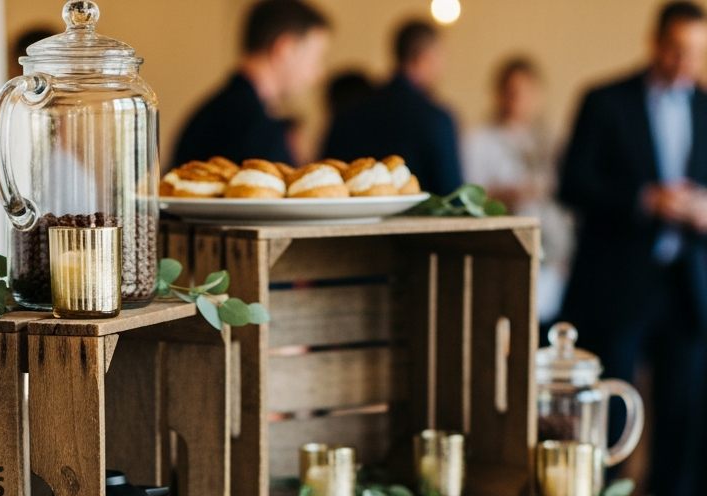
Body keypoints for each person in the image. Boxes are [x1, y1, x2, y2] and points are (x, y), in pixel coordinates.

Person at [559, 1, 707, 496]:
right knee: (611, 410)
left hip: (686, 288)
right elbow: (573, 182)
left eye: (694, 51)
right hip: (619, 286)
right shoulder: (604, 100)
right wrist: (646, 199)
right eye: (675, 48)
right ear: (654, 42)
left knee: (682, 415)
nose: (683, 60)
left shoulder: (705, 107)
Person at [464, 58, 574, 324]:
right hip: (500, 250)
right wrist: (511, 194)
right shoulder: (479, 139)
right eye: (512, 91)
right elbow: (469, 194)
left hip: (550, 252)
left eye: (525, 91)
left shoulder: (549, 142)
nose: (518, 98)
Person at [172, 0, 331, 168]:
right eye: (315, 58)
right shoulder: (257, 126)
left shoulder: (214, 111)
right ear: (285, 49)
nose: (318, 74)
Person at [324, 19, 462, 195]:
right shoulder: (436, 118)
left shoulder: (349, 110)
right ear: (424, 57)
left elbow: (327, 172)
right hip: (417, 220)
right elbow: (451, 194)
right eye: (441, 56)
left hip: (350, 220)